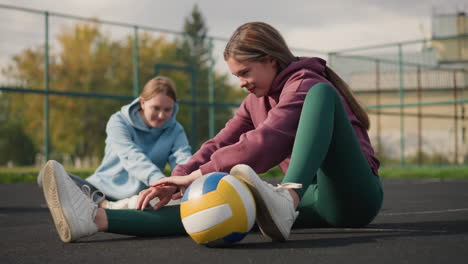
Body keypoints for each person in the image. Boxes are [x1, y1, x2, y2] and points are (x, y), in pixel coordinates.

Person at [41, 22, 383, 243]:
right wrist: (174, 182)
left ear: (271, 60)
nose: (242, 83)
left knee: (323, 96)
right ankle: (95, 219)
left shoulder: (306, 83)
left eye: (245, 72)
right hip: (314, 200)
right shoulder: (254, 101)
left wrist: (193, 177)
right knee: (216, 205)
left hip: (355, 194)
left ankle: (286, 198)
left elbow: (266, 143)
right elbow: (219, 143)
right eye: (236, 76)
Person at [38, 76, 192, 210]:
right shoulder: (118, 121)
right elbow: (132, 157)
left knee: (178, 193)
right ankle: (104, 205)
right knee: (46, 175)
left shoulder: (176, 130)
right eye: (156, 108)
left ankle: (89, 208)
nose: (161, 115)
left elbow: (183, 160)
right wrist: (161, 183)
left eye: (168, 109)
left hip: (142, 195)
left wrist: (185, 181)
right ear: (143, 102)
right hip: (101, 191)